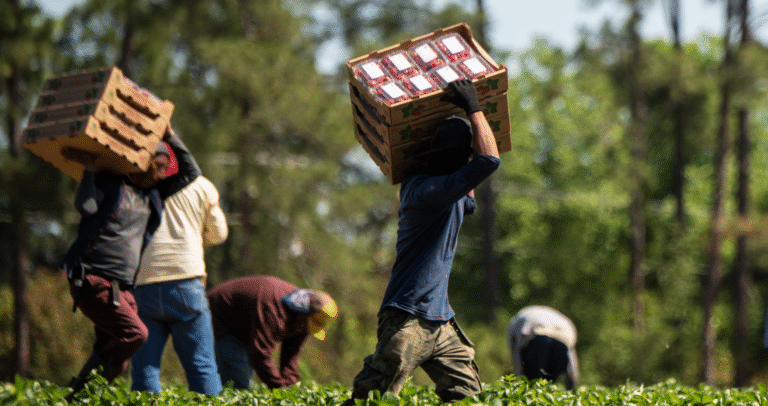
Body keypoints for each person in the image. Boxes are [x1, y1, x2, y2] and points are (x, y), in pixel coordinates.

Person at [343, 78, 501, 405]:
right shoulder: (426, 191)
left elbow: (475, 174)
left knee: (468, 396)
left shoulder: (450, 192)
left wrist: (469, 126)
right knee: (372, 398)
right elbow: (488, 161)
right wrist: (473, 106)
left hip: (440, 321)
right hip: (407, 318)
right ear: (454, 159)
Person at [59, 126, 200, 402]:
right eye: (154, 166)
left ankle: (81, 398)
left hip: (123, 289)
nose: (159, 173)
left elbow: (190, 172)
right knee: (135, 333)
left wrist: (170, 136)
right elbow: (86, 208)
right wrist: (89, 170)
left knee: (117, 360)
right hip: (92, 280)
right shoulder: (112, 184)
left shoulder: (155, 196)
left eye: (162, 168)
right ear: (137, 162)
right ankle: (74, 399)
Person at [129, 145, 228, 395]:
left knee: (145, 369)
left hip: (144, 283)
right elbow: (219, 233)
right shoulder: (201, 186)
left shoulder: (136, 184)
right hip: (185, 281)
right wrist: (195, 237)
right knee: (201, 366)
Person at [206, 275, 338, 390]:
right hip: (221, 316)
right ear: (304, 313)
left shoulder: (304, 319)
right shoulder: (275, 310)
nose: (308, 330)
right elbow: (259, 353)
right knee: (238, 383)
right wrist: (279, 388)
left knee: (243, 379)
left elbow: (290, 359)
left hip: (245, 327)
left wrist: (291, 391)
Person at [506, 305, 579, 390]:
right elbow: (571, 362)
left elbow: (516, 351)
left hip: (537, 337)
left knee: (532, 384)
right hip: (562, 338)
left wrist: (519, 376)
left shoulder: (515, 322)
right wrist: (572, 387)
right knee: (548, 386)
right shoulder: (563, 322)